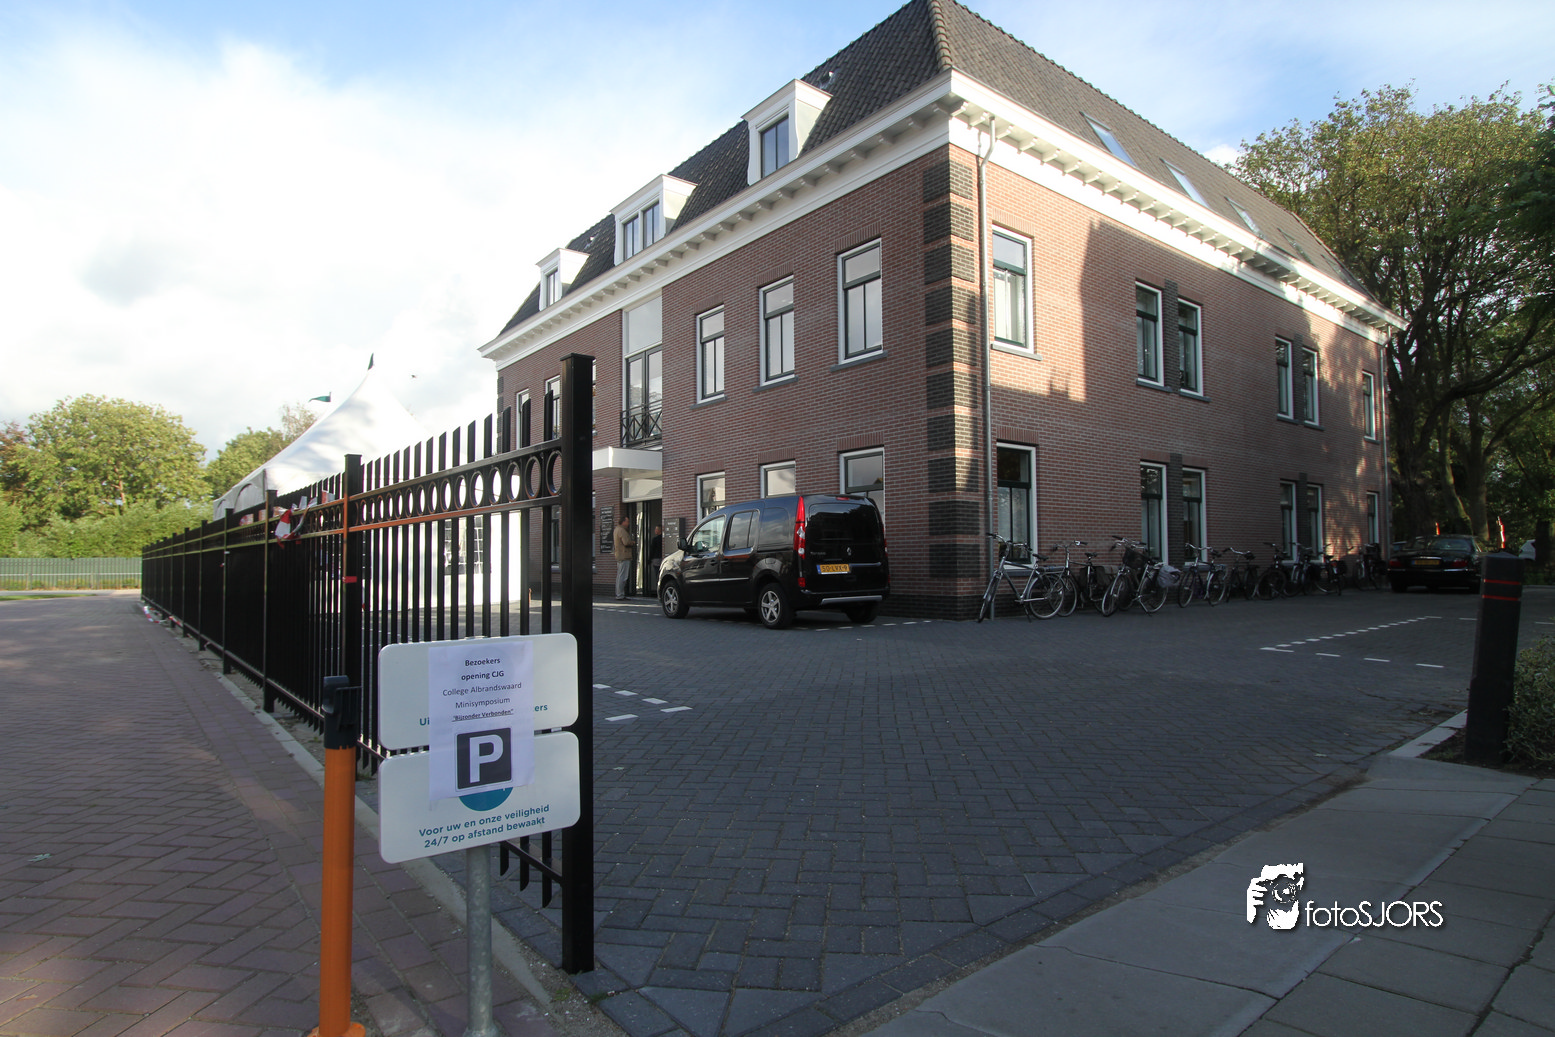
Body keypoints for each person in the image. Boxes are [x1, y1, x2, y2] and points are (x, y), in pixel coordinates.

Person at [612, 516, 636, 600]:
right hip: (624, 555)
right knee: (623, 576)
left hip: (619, 555)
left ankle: (619, 593)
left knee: (620, 575)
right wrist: (632, 542)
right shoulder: (622, 530)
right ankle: (620, 594)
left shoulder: (616, 529)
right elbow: (626, 542)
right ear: (623, 522)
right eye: (627, 521)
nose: (628, 523)